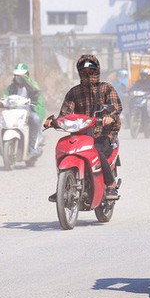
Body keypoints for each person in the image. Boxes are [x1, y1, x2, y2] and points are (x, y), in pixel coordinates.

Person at [43, 54, 122, 201]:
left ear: (97, 71)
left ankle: (110, 184)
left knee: (97, 151)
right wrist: (53, 121)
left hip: (103, 133)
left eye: (91, 72)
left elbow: (116, 109)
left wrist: (109, 117)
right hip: (81, 134)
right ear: (79, 72)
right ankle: (63, 187)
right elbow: (65, 114)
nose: (87, 75)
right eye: (84, 73)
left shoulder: (106, 88)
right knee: (65, 148)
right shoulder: (73, 92)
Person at [0, 63, 45, 157]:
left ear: (27, 75)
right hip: (13, 113)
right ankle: (2, 145)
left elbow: (36, 92)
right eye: (17, 75)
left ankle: (32, 147)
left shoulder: (32, 85)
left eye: (21, 75)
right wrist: (1, 103)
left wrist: (27, 81)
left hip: (29, 113)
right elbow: (4, 97)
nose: (19, 78)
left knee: (35, 118)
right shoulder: (11, 87)